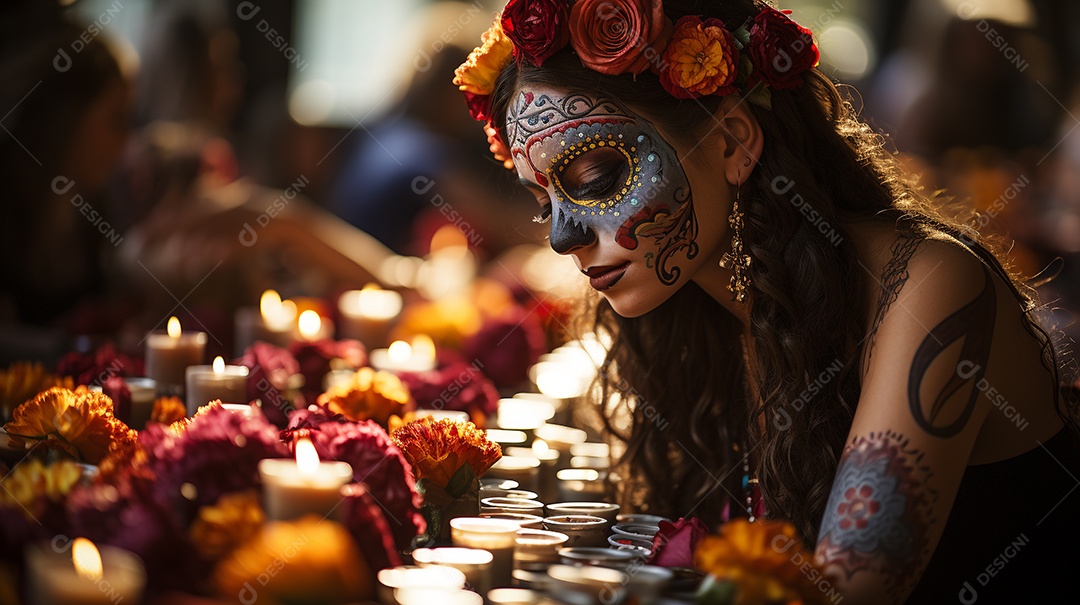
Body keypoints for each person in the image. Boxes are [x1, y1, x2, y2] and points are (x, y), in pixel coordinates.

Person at [457, 0, 1080, 602]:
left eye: (594, 177)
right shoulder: (687, 312)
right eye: (543, 202)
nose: (562, 236)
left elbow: (842, 589)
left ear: (732, 141)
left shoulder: (929, 287)